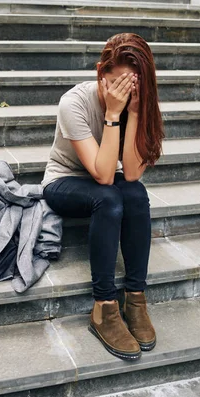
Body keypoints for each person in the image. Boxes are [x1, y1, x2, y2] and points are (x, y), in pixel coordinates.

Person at [42, 32, 164, 361]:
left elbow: (133, 174)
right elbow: (104, 175)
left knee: (136, 195)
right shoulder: (74, 103)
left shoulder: (137, 101)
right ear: (100, 72)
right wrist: (113, 113)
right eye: (115, 84)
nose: (122, 93)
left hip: (106, 181)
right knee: (109, 197)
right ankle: (104, 307)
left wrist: (135, 112)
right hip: (65, 181)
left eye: (131, 86)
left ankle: (135, 299)